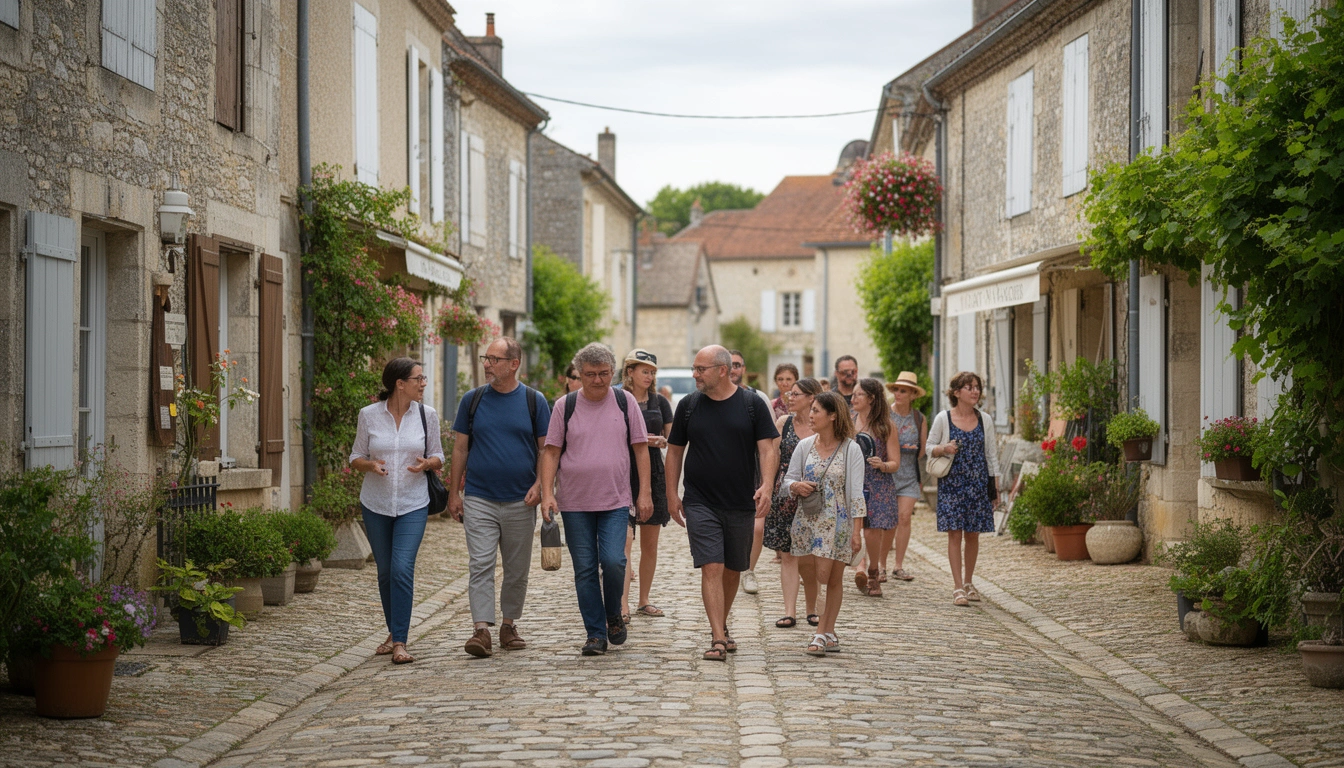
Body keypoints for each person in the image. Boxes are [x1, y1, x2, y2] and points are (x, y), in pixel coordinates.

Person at [666, 345, 779, 661]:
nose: (695, 375)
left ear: (722, 370)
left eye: (700, 369)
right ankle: (717, 637)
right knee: (711, 565)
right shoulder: (689, 406)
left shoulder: (752, 404)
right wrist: (672, 494)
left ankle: (722, 623)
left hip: (741, 500)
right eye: (694, 368)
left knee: (732, 568)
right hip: (700, 500)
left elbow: (768, 450)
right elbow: (675, 451)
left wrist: (767, 485)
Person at [539, 343, 654, 655]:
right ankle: (595, 633)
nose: (598, 380)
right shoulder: (566, 405)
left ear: (612, 372)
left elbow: (641, 447)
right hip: (575, 503)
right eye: (590, 374)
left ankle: (613, 613)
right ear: (579, 374)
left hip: (616, 499)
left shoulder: (624, 401)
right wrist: (547, 493)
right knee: (586, 568)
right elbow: (551, 452)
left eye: (604, 374)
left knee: (615, 561)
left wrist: (645, 492)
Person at [447, 337, 551, 658]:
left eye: (494, 359)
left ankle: (508, 625)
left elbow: (546, 450)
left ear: (514, 364)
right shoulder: (472, 400)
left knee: (517, 567)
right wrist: (454, 492)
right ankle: (481, 630)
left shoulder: (534, 401)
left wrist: (541, 485)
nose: (487, 364)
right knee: (480, 563)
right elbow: (461, 447)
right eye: (485, 358)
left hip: (522, 500)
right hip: (479, 497)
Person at [349, 357, 444, 665]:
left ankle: (400, 641)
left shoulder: (427, 415)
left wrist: (427, 464)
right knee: (386, 572)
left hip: (413, 502)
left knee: (402, 568)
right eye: (419, 378)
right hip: (375, 503)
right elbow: (355, 456)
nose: (423, 383)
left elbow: (439, 456)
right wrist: (369, 464)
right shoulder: (369, 415)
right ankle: (394, 632)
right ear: (399, 384)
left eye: (424, 378)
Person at [782, 391, 866, 656]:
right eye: (812, 409)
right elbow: (786, 482)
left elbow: (856, 493)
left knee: (831, 578)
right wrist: (796, 485)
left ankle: (821, 632)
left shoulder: (851, 449)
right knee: (811, 573)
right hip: (806, 520)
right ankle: (829, 631)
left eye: (817, 410)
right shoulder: (804, 446)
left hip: (836, 523)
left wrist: (856, 532)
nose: (810, 415)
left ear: (832, 416)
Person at [926, 371, 1000, 607]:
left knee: (973, 534)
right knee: (954, 533)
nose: (975, 391)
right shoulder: (943, 418)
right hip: (952, 483)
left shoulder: (985, 419)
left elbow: (991, 455)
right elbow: (929, 447)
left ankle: (969, 582)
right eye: (969, 387)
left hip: (977, 484)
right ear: (956, 392)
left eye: (977, 387)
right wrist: (944, 448)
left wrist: (994, 488)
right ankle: (957, 587)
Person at [619, 349, 674, 621]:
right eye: (644, 371)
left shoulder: (660, 402)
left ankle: (644, 599)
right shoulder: (617, 399)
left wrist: (658, 441)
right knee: (624, 542)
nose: (649, 376)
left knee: (650, 544)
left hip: (653, 472)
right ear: (630, 371)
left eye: (652, 371)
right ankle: (622, 604)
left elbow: (672, 439)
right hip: (622, 470)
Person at [764, 377, 823, 628]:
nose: (790, 397)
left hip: (813, 496)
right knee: (787, 554)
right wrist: (768, 487)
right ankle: (789, 611)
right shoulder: (783, 423)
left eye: (796, 394)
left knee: (808, 557)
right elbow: (773, 456)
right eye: (789, 393)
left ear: (811, 398)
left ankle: (812, 608)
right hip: (786, 494)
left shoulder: (821, 424)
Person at [728, 349, 776, 596]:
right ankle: (731, 568)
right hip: (726, 472)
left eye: (737, 364)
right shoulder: (709, 398)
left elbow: (770, 442)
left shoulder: (759, 398)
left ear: (743, 369)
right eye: (730, 364)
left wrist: (770, 478)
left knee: (757, 527)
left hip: (753, 468)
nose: (733, 369)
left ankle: (748, 570)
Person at [851, 378, 901, 597]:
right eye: (852, 394)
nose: (853, 398)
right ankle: (859, 566)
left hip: (878, 484)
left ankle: (872, 570)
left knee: (872, 531)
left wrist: (882, 464)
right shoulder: (849, 422)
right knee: (852, 529)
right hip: (853, 482)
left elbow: (895, 463)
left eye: (858, 395)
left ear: (871, 398)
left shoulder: (886, 426)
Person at [884, 372, 927, 583]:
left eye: (903, 391)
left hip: (909, 475)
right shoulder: (885, 416)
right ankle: (880, 565)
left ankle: (898, 566)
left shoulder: (919, 419)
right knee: (888, 521)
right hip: (889, 475)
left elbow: (922, 451)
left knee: (904, 517)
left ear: (912, 395)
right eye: (896, 390)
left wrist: (910, 449)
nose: (898, 394)